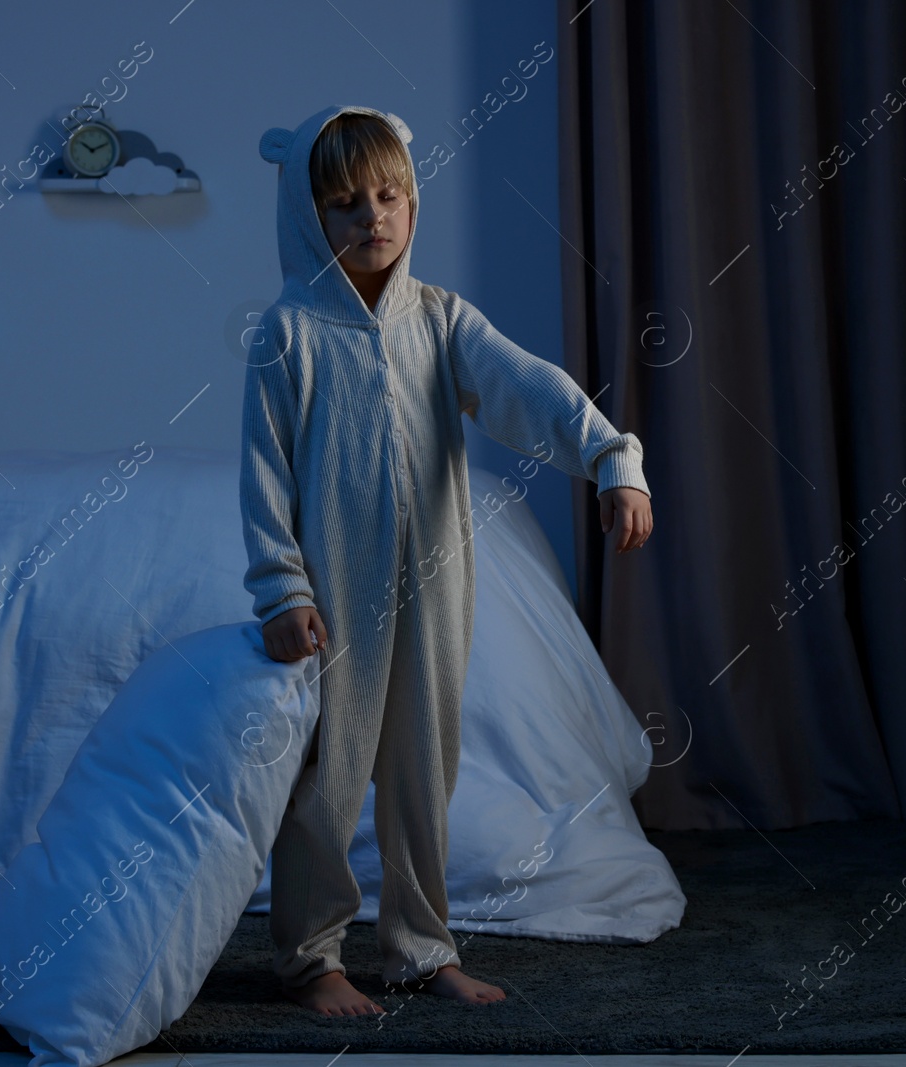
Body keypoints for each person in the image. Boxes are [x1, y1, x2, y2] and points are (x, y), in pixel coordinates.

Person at [240, 104, 653, 1018]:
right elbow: (263, 476)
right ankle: (312, 960)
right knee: (325, 777)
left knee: (426, 769)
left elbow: (527, 387)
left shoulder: (440, 320)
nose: (371, 218)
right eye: (345, 203)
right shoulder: (287, 336)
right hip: (331, 598)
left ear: (414, 205)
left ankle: (421, 951)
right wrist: (281, 589)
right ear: (309, 216)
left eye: (389, 197)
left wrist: (610, 458)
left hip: (434, 584)